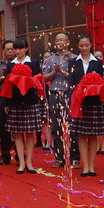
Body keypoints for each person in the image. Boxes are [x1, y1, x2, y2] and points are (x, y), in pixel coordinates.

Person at [2, 38, 43, 173]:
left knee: (30, 133)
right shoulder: (10, 65)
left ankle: (29, 162)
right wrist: (7, 103)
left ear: (26, 48)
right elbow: (7, 86)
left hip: (30, 101)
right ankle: (20, 162)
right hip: (15, 101)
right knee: (18, 134)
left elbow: (38, 81)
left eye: (20, 48)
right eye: (15, 49)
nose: (17, 51)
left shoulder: (33, 63)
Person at [68, 34, 104, 177]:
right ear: (77, 46)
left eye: (87, 45)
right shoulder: (73, 62)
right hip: (79, 102)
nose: (84, 48)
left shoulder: (98, 62)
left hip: (94, 102)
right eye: (81, 46)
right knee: (82, 135)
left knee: (93, 135)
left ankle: (92, 166)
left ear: (91, 45)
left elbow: (102, 82)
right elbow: (71, 82)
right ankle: (84, 166)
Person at [42, 32, 78, 168]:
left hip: (69, 94)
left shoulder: (74, 58)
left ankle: (75, 158)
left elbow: (76, 78)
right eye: (57, 40)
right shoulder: (50, 59)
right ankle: (59, 157)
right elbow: (44, 78)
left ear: (68, 42)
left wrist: (63, 72)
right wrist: (54, 72)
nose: (60, 43)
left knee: (72, 127)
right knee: (56, 128)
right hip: (54, 94)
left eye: (62, 40)